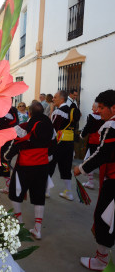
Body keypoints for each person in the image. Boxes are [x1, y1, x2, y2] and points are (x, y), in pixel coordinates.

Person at [74, 89, 115, 271]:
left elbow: (102, 154)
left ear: (113, 108)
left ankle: (102, 260)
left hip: (113, 180)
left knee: (103, 218)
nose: (98, 111)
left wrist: (80, 168)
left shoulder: (111, 126)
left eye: (101, 107)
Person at [5, 102, 53, 239]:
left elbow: (14, 146)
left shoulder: (24, 127)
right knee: (39, 196)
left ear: (29, 113)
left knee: (15, 193)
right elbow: (54, 145)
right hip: (43, 166)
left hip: (24, 166)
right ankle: (38, 229)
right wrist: (48, 156)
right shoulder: (50, 127)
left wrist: (6, 157)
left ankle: (19, 223)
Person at [49, 90, 80, 201]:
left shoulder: (59, 112)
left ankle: (45, 190)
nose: (53, 99)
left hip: (57, 143)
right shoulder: (71, 111)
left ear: (62, 99)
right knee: (66, 167)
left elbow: (53, 129)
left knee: (50, 165)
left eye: (55, 97)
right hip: (69, 143)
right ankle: (69, 192)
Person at [0, 106, 19, 194]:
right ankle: (8, 186)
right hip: (8, 143)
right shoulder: (13, 111)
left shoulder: (2, 114)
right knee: (5, 164)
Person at [80, 102, 104, 189]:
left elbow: (87, 127)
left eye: (93, 107)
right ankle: (101, 182)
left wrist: (82, 135)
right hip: (102, 142)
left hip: (93, 142)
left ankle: (91, 182)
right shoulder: (105, 117)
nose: (92, 108)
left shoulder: (92, 116)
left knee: (89, 161)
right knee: (102, 163)